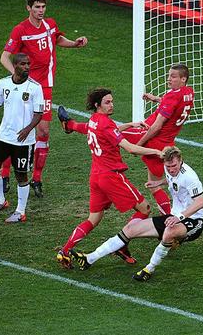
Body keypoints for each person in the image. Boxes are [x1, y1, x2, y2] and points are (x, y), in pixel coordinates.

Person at [60, 64, 194, 216]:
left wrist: (140, 142)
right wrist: (155, 99)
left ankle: (70, 125)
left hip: (151, 136)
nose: (168, 79)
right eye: (169, 75)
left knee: (100, 127)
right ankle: (170, 219)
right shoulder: (188, 92)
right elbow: (172, 103)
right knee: (155, 186)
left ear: (183, 79)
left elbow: (156, 127)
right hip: (167, 142)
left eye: (173, 76)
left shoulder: (171, 97)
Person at [56, 88, 162, 269]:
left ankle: (64, 251)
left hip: (96, 177)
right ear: (97, 105)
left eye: (112, 101)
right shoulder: (106, 124)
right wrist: (157, 151)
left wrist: (129, 124)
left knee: (93, 219)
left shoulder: (95, 121)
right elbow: (131, 149)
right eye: (107, 102)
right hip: (112, 176)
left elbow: (101, 131)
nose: (111, 105)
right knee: (144, 209)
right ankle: (122, 245)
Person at [69, 146, 203, 282]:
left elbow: (200, 202)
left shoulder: (190, 177)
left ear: (180, 160)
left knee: (168, 233)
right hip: (173, 218)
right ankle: (89, 259)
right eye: (168, 166)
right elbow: (173, 180)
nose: (170, 169)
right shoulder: (169, 168)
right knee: (130, 229)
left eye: (174, 166)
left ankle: (149, 269)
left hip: (193, 221)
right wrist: (159, 182)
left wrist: (178, 217)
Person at [0, 0, 88, 198]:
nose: (40, 11)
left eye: (43, 7)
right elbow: (4, 57)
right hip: (26, 87)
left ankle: (37, 179)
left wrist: (75, 43)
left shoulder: (50, 24)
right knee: (16, 130)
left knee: (43, 132)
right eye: (37, 7)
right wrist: (17, 75)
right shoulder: (20, 30)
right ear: (28, 8)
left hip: (45, 87)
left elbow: (57, 39)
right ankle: (4, 175)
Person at [0, 53, 43, 223]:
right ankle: (0, 201)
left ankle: (20, 211)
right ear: (15, 65)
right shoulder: (3, 83)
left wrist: (27, 129)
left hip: (23, 141)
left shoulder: (35, 87)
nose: (27, 67)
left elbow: (38, 113)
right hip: (4, 135)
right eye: (23, 64)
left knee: (21, 176)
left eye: (28, 64)